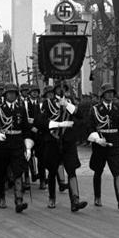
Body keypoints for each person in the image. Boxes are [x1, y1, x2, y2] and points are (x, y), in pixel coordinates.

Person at [39, 82, 87, 212]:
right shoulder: (47, 103)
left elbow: (80, 116)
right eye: (60, 89)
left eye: (64, 89)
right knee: (53, 170)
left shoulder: (69, 103)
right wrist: (57, 125)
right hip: (53, 141)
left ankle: (75, 200)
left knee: (71, 170)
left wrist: (67, 105)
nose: (62, 91)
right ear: (55, 91)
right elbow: (41, 121)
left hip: (68, 142)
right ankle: (52, 197)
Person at [0, 83, 32, 213]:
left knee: (18, 171)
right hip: (3, 143)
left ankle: (19, 200)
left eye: (13, 93)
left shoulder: (21, 109)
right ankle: (1, 197)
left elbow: (26, 129)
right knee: (2, 172)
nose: (11, 95)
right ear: (5, 95)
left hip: (17, 144)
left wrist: (28, 146)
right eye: (9, 93)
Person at [88, 83, 119, 210]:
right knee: (98, 171)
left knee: (117, 171)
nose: (110, 94)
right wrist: (97, 139)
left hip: (114, 144)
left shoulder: (117, 109)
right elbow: (90, 127)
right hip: (100, 143)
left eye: (112, 92)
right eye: (108, 92)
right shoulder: (95, 109)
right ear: (102, 94)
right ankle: (97, 197)